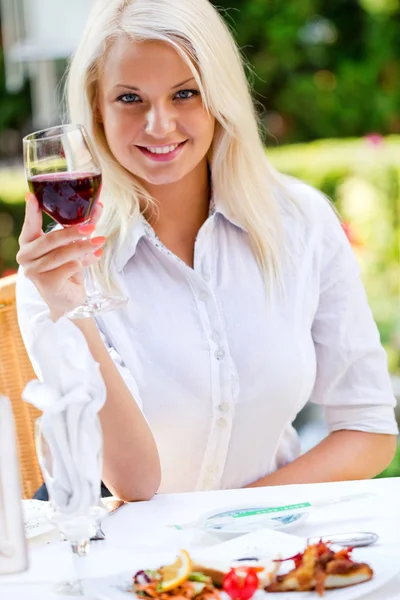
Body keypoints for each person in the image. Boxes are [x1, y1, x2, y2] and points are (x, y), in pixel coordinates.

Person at [16, 0, 398, 502]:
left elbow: (368, 428)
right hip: (131, 567)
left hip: (271, 555)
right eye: (130, 98)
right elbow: (133, 482)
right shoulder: (57, 271)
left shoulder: (301, 223)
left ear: (220, 98)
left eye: (185, 93)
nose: (159, 125)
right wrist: (69, 310)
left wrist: (238, 523)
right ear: (97, 112)